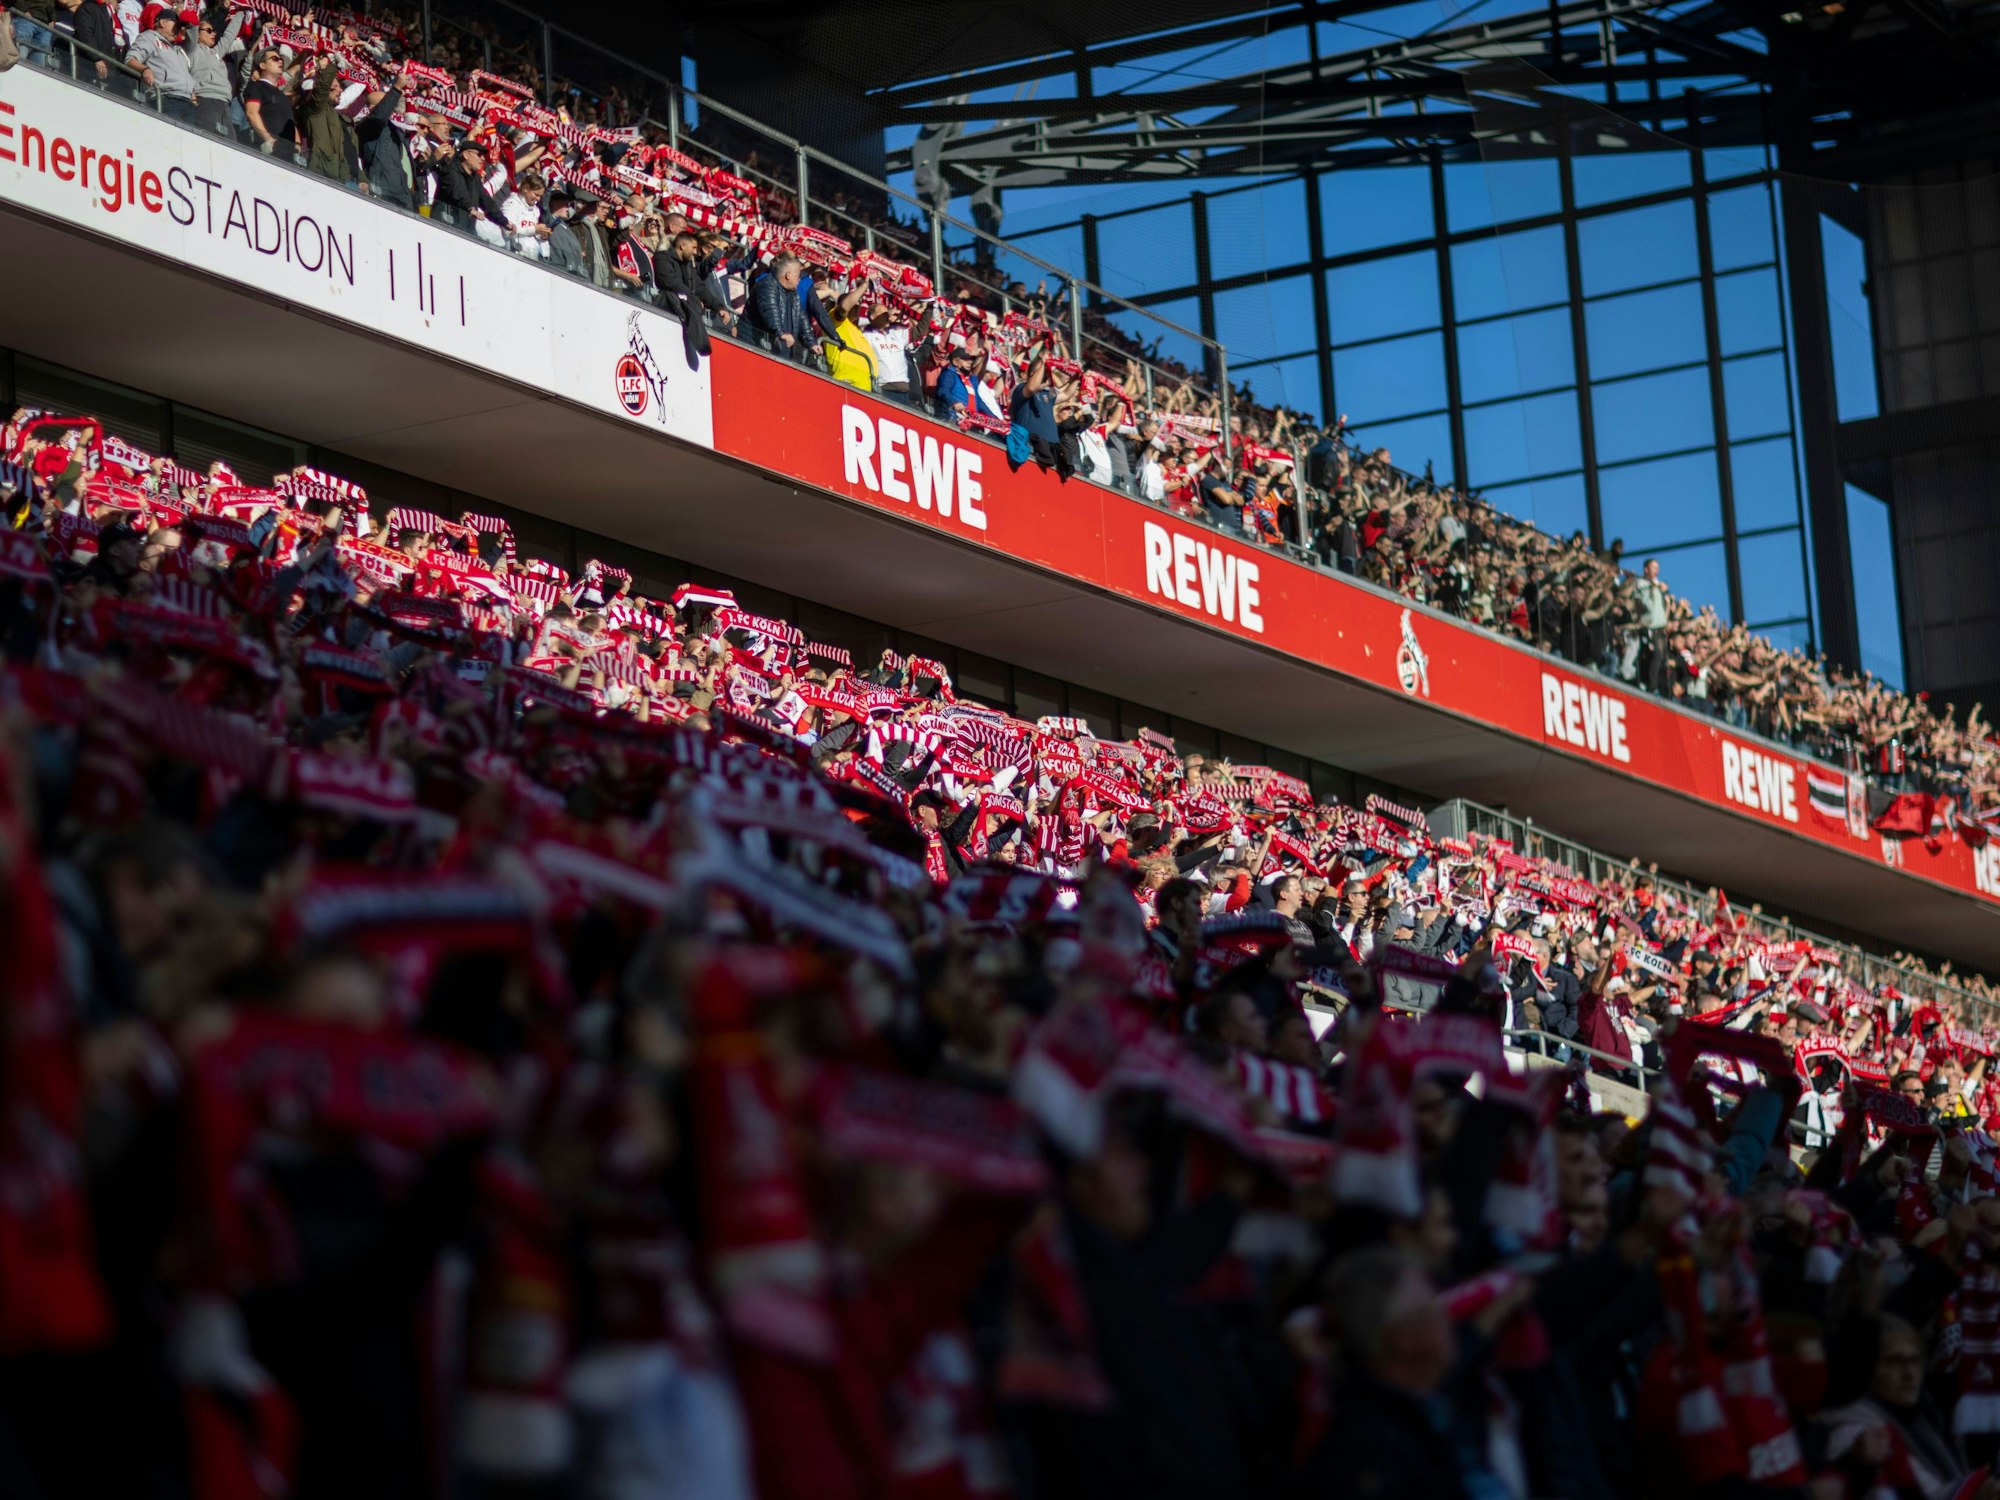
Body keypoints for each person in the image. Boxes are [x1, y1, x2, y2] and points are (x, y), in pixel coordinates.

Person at [125, 3, 196, 124]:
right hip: (166, 98)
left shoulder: (178, 48)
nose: (179, 29)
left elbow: (193, 38)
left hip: (188, 103)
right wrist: (144, 69)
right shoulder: (150, 37)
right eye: (176, 24)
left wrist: (187, 20)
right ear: (163, 22)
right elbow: (130, 59)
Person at [184, 7, 246, 135]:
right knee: (205, 137)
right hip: (206, 99)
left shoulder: (216, 52)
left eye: (213, 31)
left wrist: (241, 12)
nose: (213, 34)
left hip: (224, 103)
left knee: (230, 143)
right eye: (209, 31)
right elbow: (191, 30)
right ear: (197, 34)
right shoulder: (191, 49)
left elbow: (229, 36)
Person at [745, 254, 809, 359]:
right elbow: (770, 310)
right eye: (798, 275)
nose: (799, 280)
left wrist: (811, 342)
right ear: (788, 275)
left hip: (778, 349)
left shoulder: (794, 293)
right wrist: (780, 332)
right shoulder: (767, 285)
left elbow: (801, 317)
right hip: (754, 344)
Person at [242, 47, 299, 159]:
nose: (280, 61)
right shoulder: (256, 86)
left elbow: (291, 123)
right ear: (263, 65)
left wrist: (298, 146)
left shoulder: (283, 96)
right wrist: (268, 139)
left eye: (280, 59)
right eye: (274, 59)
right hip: (269, 151)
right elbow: (251, 113)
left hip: (289, 153)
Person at [821, 288, 876, 394]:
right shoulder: (834, 320)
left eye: (858, 306)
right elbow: (844, 307)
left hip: (865, 388)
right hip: (845, 383)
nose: (856, 309)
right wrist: (865, 285)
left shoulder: (857, 330)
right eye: (854, 305)